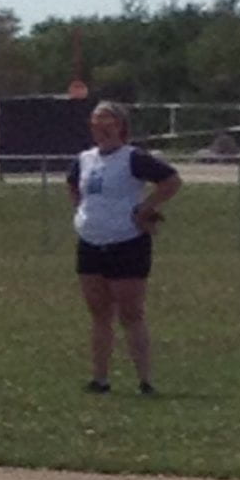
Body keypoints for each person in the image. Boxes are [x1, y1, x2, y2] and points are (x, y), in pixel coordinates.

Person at [66, 102, 181, 395]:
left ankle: (145, 380)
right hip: (91, 242)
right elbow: (73, 185)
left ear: (120, 126)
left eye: (108, 122)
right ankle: (100, 378)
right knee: (99, 312)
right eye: (96, 123)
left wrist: (146, 208)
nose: (101, 129)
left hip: (127, 242)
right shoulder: (85, 159)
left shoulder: (133, 158)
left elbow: (170, 180)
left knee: (131, 313)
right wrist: (82, 213)